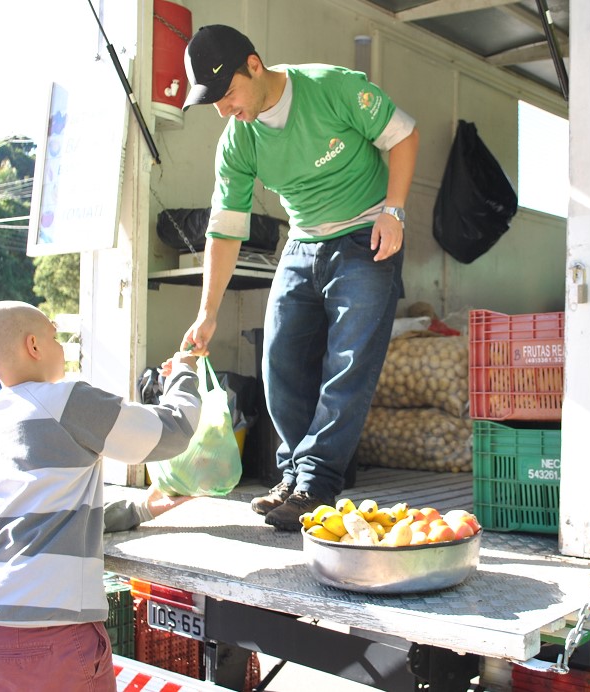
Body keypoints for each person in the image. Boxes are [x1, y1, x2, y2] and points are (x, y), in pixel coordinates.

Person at [179, 24, 420, 530]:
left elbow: (403, 135)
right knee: (279, 362)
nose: (223, 109)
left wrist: (393, 211)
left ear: (254, 65)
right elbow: (225, 229)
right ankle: (293, 475)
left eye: (227, 94)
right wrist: (207, 313)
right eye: (213, 102)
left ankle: (317, 482)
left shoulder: (331, 87)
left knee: (348, 364)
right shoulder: (238, 139)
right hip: (304, 241)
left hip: (366, 235)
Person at [0, 301, 202, 692]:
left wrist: (139, 508)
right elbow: (173, 431)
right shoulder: (65, 400)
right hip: (44, 637)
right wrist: (185, 371)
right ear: (33, 345)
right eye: (55, 337)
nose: (62, 349)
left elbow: (38, 510)